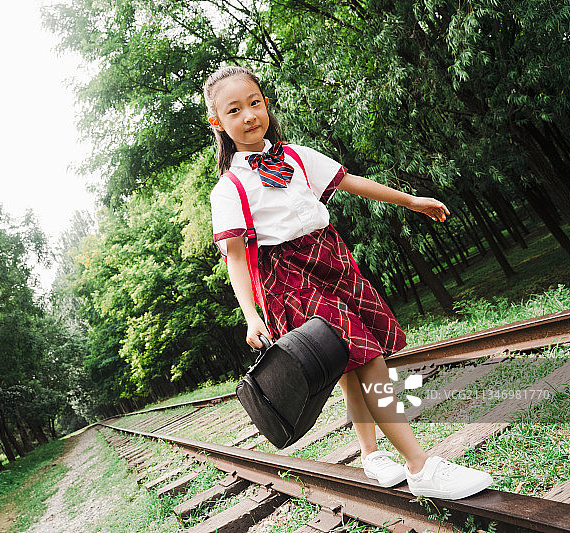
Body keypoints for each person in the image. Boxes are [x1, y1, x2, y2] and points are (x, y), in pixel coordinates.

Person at [205, 65, 493, 500]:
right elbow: (237, 260)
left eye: (255, 102)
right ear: (218, 123)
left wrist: (411, 200)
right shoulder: (229, 188)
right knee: (367, 356)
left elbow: (352, 182)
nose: (248, 115)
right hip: (288, 279)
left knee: (349, 365)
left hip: (333, 260)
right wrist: (252, 316)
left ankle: (371, 454)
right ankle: (420, 466)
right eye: (234, 110)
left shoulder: (297, 156)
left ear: (265, 102)